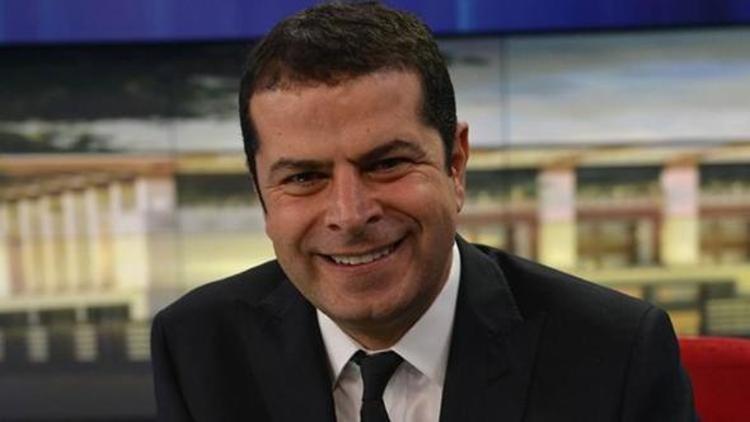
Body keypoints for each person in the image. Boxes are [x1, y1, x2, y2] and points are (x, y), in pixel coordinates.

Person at [150, 2, 696, 421]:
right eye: (303, 177)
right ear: (261, 195)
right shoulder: (198, 346)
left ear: (455, 165)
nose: (350, 214)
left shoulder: (614, 353)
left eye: (386, 164)